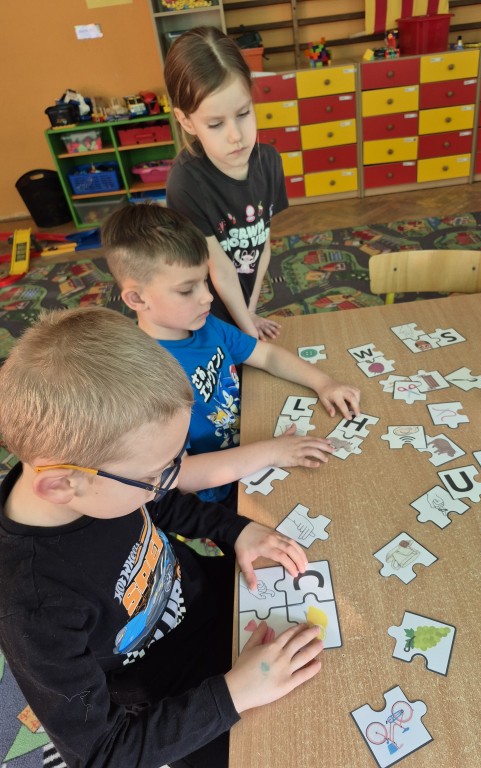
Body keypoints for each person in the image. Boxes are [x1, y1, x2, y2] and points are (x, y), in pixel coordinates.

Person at [0, 306, 324, 768]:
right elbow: (102, 754)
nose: (170, 480)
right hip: (172, 694)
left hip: (210, 599)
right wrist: (235, 693)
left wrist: (236, 529)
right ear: (60, 486)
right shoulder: (33, 605)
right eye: (158, 472)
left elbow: (157, 502)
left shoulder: (90, 480)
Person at [101, 203, 361, 504]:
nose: (207, 297)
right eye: (187, 290)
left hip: (254, 438)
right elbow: (180, 476)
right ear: (137, 298)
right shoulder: (146, 376)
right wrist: (271, 451)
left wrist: (324, 382)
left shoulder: (207, 325)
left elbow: (267, 356)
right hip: (223, 491)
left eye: (205, 281)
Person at [164, 25, 286, 341]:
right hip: (202, 317)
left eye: (243, 114)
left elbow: (263, 245)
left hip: (241, 304)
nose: (236, 136)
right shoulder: (185, 183)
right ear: (186, 120)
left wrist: (249, 313)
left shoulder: (269, 162)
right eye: (216, 124)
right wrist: (246, 331)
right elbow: (219, 269)